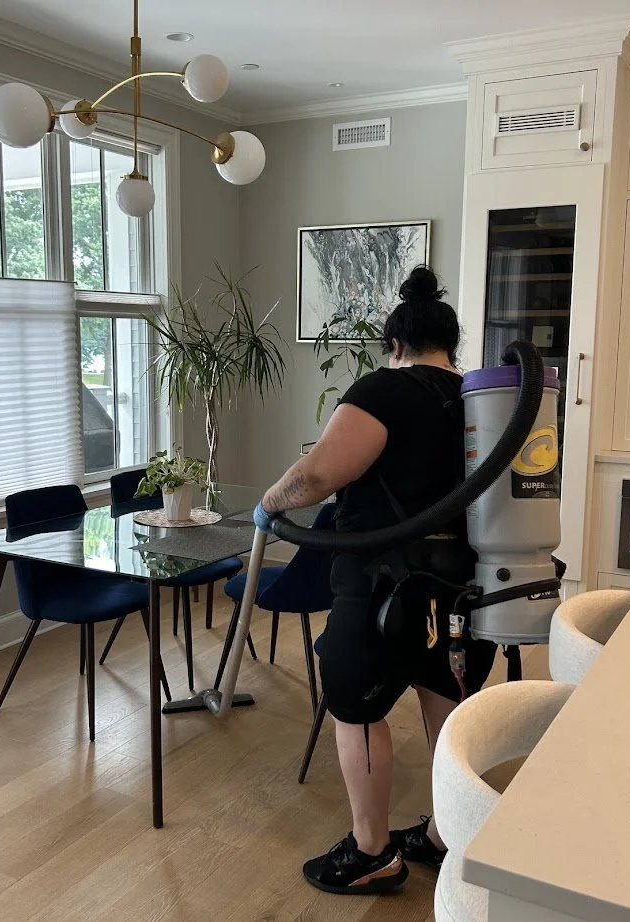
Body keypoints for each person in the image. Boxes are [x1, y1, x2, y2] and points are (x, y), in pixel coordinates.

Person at [253, 266, 497, 895]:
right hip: (462, 582)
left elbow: (318, 475)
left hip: (384, 581)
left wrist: (270, 503)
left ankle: (372, 852)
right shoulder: (479, 400)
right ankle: (444, 833)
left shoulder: (385, 390)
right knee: (446, 696)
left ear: (395, 344)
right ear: (451, 344)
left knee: (355, 705)